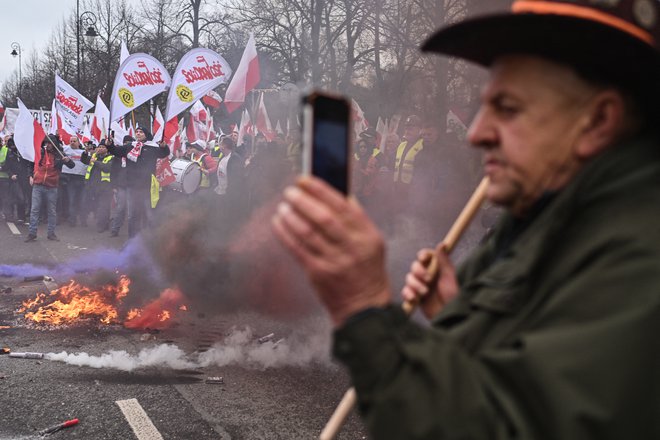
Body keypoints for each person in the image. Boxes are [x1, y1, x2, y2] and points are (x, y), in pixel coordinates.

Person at [272, 1, 660, 438]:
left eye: (508, 108)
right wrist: (459, 314)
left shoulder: (639, 256)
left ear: (599, 120)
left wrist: (365, 308)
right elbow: (500, 380)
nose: (477, 133)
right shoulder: (543, 218)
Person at [107, 127, 169, 238]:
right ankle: (133, 238)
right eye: (137, 132)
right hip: (131, 185)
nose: (138, 134)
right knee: (132, 214)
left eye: (141, 132)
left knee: (149, 212)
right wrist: (109, 145)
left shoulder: (153, 147)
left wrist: (164, 147)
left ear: (146, 134)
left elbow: (163, 153)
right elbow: (116, 151)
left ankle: (152, 238)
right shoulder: (130, 146)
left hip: (146, 186)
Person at [25, 135, 74, 242]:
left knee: (51, 211)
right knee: (35, 209)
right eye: (46, 143)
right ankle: (32, 233)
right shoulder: (39, 152)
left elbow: (72, 165)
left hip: (52, 186)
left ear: (54, 144)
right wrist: (30, 176)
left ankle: (51, 233)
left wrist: (67, 160)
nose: (48, 145)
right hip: (38, 185)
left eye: (50, 143)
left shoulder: (59, 154)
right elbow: (30, 164)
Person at [81, 142, 114, 232]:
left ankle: (102, 225)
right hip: (92, 186)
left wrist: (95, 162)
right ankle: (84, 220)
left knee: (104, 207)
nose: (100, 148)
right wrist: (85, 152)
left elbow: (107, 168)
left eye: (103, 147)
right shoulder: (94, 156)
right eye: (99, 147)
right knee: (88, 204)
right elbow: (84, 160)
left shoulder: (111, 158)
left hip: (105, 187)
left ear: (107, 149)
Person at [61, 136, 88, 226]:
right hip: (70, 179)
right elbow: (57, 148)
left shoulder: (84, 152)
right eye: (71, 141)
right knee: (71, 200)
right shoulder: (65, 149)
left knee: (83, 201)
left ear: (78, 143)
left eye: (74, 141)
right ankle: (72, 220)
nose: (72, 142)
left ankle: (83, 220)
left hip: (81, 179)